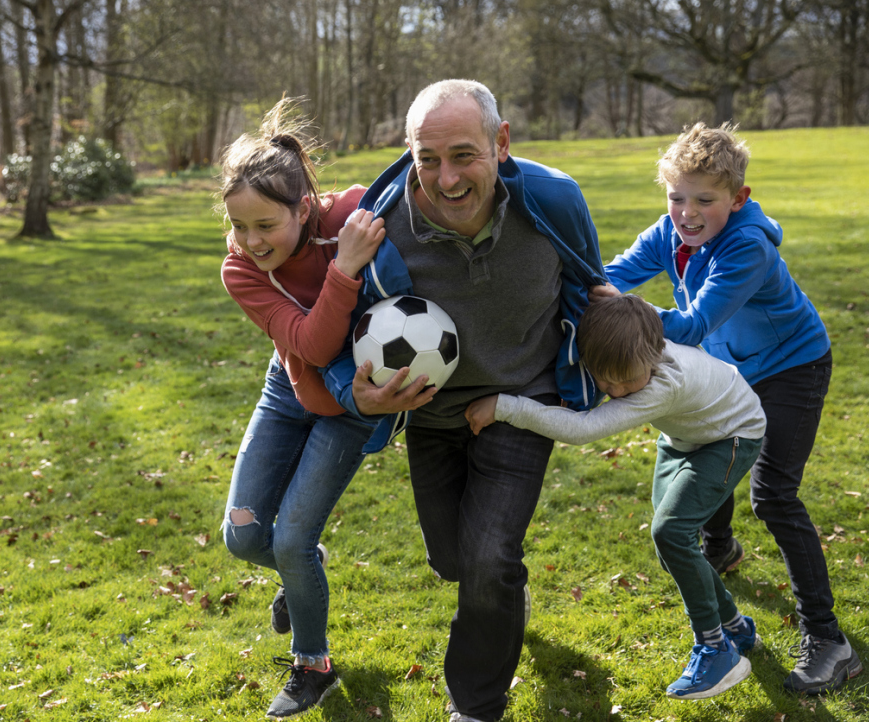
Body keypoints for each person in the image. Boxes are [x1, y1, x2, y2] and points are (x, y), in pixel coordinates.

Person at [322, 79, 608, 722]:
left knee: (488, 557)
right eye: (427, 158)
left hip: (521, 402)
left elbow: (592, 286)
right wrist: (358, 389)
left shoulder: (554, 201)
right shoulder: (379, 227)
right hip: (432, 413)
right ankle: (504, 594)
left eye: (462, 155)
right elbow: (335, 330)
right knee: (457, 561)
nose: (444, 178)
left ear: (501, 143)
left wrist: (618, 339)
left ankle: (475, 705)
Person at [590, 122, 863, 694]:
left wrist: (624, 308)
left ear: (737, 199)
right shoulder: (669, 232)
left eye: (704, 200)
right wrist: (583, 297)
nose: (686, 213)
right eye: (675, 197)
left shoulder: (747, 246)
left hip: (792, 367)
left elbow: (690, 325)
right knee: (704, 448)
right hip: (730, 369)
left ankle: (829, 640)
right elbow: (609, 278)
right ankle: (720, 548)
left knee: (774, 495)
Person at [466, 294, 766, 700]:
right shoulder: (637, 343)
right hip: (684, 436)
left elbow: (582, 430)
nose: (617, 390)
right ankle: (735, 627)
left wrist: (506, 406)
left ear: (655, 353)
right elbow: (623, 316)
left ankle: (715, 649)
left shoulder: (664, 384)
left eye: (627, 380)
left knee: (671, 534)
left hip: (733, 434)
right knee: (671, 547)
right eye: (606, 380)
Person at [217, 99, 393, 719]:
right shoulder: (240, 270)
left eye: (266, 224)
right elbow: (312, 345)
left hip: (351, 405)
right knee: (242, 536)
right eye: (240, 225)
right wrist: (344, 271)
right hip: (291, 385)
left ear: (303, 207)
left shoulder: (345, 216)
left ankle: (312, 665)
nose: (251, 241)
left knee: (289, 537)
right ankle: (304, 570)